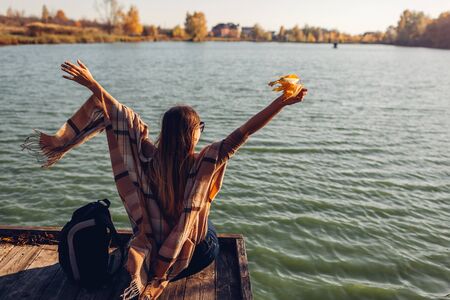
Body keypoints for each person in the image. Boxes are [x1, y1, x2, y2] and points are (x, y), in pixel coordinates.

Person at [25, 59, 307, 299]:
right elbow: (245, 131)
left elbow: (120, 115)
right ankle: (162, 275)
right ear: (192, 134)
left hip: (153, 242)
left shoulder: (147, 157)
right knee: (206, 228)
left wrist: (93, 84)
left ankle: (151, 268)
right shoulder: (206, 161)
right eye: (200, 127)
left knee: (185, 224)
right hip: (194, 253)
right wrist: (281, 102)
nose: (201, 132)